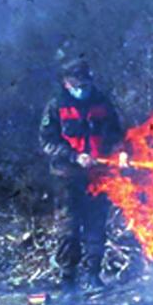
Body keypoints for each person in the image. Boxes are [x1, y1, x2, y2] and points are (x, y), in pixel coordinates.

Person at [39, 58, 124, 293]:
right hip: (67, 176)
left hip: (98, 175)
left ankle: (93, 275)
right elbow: (47, 142)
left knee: (96, 226)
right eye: (77, 85)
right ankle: (68, 279)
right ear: (67, 84)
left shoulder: (102, 102)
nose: (82, 89)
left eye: (86, 84)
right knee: (69, 228)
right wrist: (74, 156)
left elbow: (116, 133)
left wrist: (120, 151)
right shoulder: (56, 106)